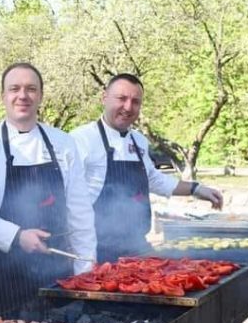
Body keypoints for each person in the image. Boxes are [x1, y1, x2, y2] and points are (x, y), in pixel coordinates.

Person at [0, 62, 97, 318]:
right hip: (1, 278)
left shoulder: (63, 144)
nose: (23, 95)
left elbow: (80, 213)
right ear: (3, 96)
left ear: (41, 96)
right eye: (15, 89)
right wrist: (16, 236)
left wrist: (85, 274)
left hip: (57, 278)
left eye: (31, 89)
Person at [71, 73, 224, 262]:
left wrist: (196, 189)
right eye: (121, 98)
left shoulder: (139, 141)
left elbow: (153, 179)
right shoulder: (81, 140)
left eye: (135, 102)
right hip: (95, 251)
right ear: (104, 98)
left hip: (137, 247)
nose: (128, 107)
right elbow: (65, 195)